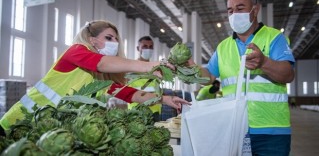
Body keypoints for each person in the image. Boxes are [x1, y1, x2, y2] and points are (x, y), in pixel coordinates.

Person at [0, 20, 190, 133]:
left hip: (48, 132)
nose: (114, 42)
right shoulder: (76, 51)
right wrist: (151, 65)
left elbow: (131, 95)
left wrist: (165, 98)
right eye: (109, 38)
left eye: (116, 39)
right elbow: (101, 62)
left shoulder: (101, 79)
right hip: (18, 123)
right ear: (92, 40)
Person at [188, 0, 295, 155]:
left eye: (240, 8)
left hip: (271, 131)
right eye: (230, 11)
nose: (234, 15)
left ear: (255, 9)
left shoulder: (274, 38)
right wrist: (190, 70)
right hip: (235, 128)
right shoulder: (223, 47)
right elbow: (208, 76)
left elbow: (288, 74)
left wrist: (264, 62)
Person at [127, 36, 162, 121]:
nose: (148, 49)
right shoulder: (130, 68)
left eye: (150, 47)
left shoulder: (156, 68)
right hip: (136, 112)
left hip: (155, 111)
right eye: (145, 46)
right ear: (138, 48)